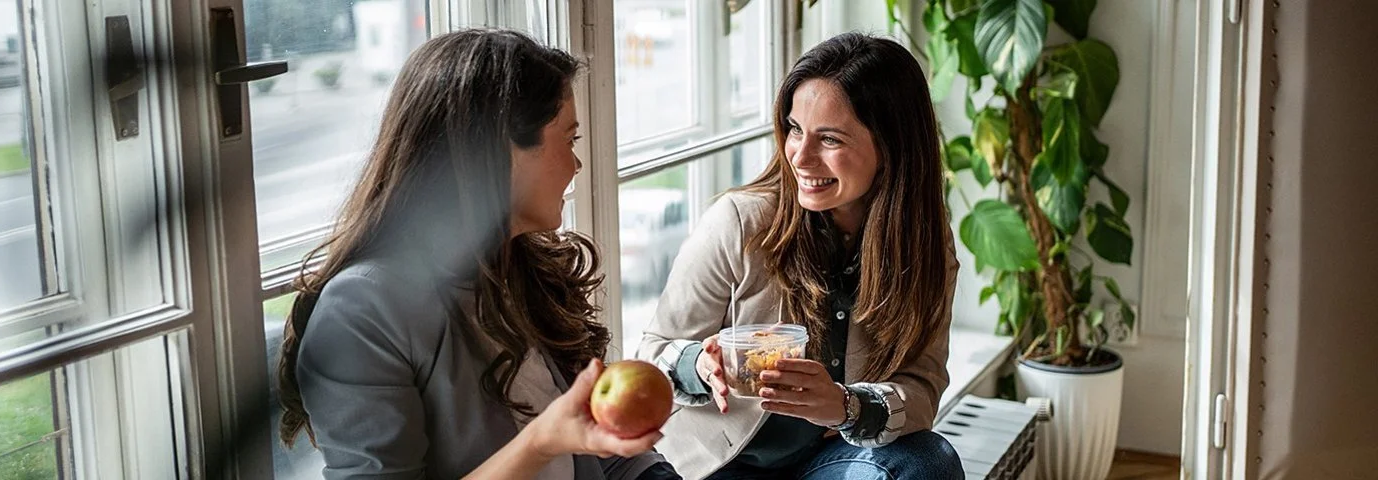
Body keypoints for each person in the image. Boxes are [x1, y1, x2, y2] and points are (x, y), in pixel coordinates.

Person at [275, 29, 678, 480]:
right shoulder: (361, 313)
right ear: (499, 149)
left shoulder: (522, 268)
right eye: (569, 140)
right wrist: (540, 442)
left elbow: (595, 443)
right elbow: (557, 436)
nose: (576, 165)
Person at [637, 32, 965, 479]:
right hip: (721, 464)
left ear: (891, 147)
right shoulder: (740, 222)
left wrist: (848, 406)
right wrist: (699, 364)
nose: (800, 156)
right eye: (794, 129)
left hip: (827, 461)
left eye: (829, 139)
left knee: (930, 462)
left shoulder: (923, 243)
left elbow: (922, 385)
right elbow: (652, 353)